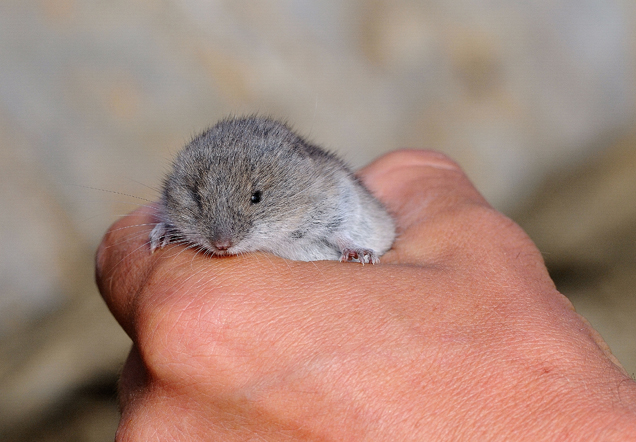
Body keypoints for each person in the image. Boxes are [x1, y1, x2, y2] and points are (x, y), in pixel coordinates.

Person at [96, 150, 636, 440]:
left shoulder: (318, 186)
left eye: (254, 200)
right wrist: (169, 227)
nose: (222, 239)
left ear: (292, 180)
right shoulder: (190, 203)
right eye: (192, 206)